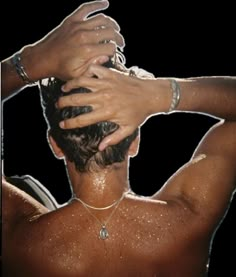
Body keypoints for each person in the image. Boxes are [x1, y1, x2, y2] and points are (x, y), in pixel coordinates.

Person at [2, 2, 235, 277]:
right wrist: (162, 94)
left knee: (26, 186)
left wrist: (28, 62)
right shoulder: (190, 217)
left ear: (54, 144)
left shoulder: (18, 235)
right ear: (134, 140)